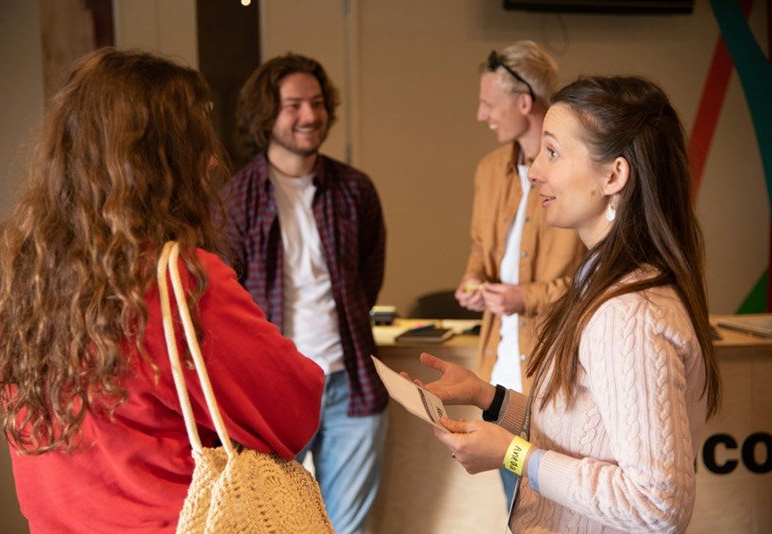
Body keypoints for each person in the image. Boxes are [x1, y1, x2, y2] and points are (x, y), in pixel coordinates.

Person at [0, 48, 325, 533]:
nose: (210, 160)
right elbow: (293, 410)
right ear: (164, 160)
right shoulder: (174, 281)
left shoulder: (17, 279)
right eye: (198, 140)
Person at [414, 75, 722, 532]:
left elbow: (658, 504)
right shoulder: (599, 281)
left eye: (553, 152)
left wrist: (513, 454)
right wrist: (488, 397)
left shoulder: (628, 314)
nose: (535, 170)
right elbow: (584, 433)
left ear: (614, 175)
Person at [221, 53, 387, 534]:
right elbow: (224, 302)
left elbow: (367, 280)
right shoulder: (235, 198)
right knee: (271, 527)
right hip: (271, 393)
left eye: (316, 104)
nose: (310, 116)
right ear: (265, 115)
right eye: (293, 105)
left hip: (349, 386)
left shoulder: (355, 190)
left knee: (348, 530)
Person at [455, 41, 584, 396]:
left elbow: (596, 281)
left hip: (556, 371)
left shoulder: (578, 175)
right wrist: (473, 279)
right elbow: (481, 246)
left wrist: (527, 297)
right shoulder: (489, 170)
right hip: (496, 366)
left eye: (488, 104)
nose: (482, 115)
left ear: (524, 103)